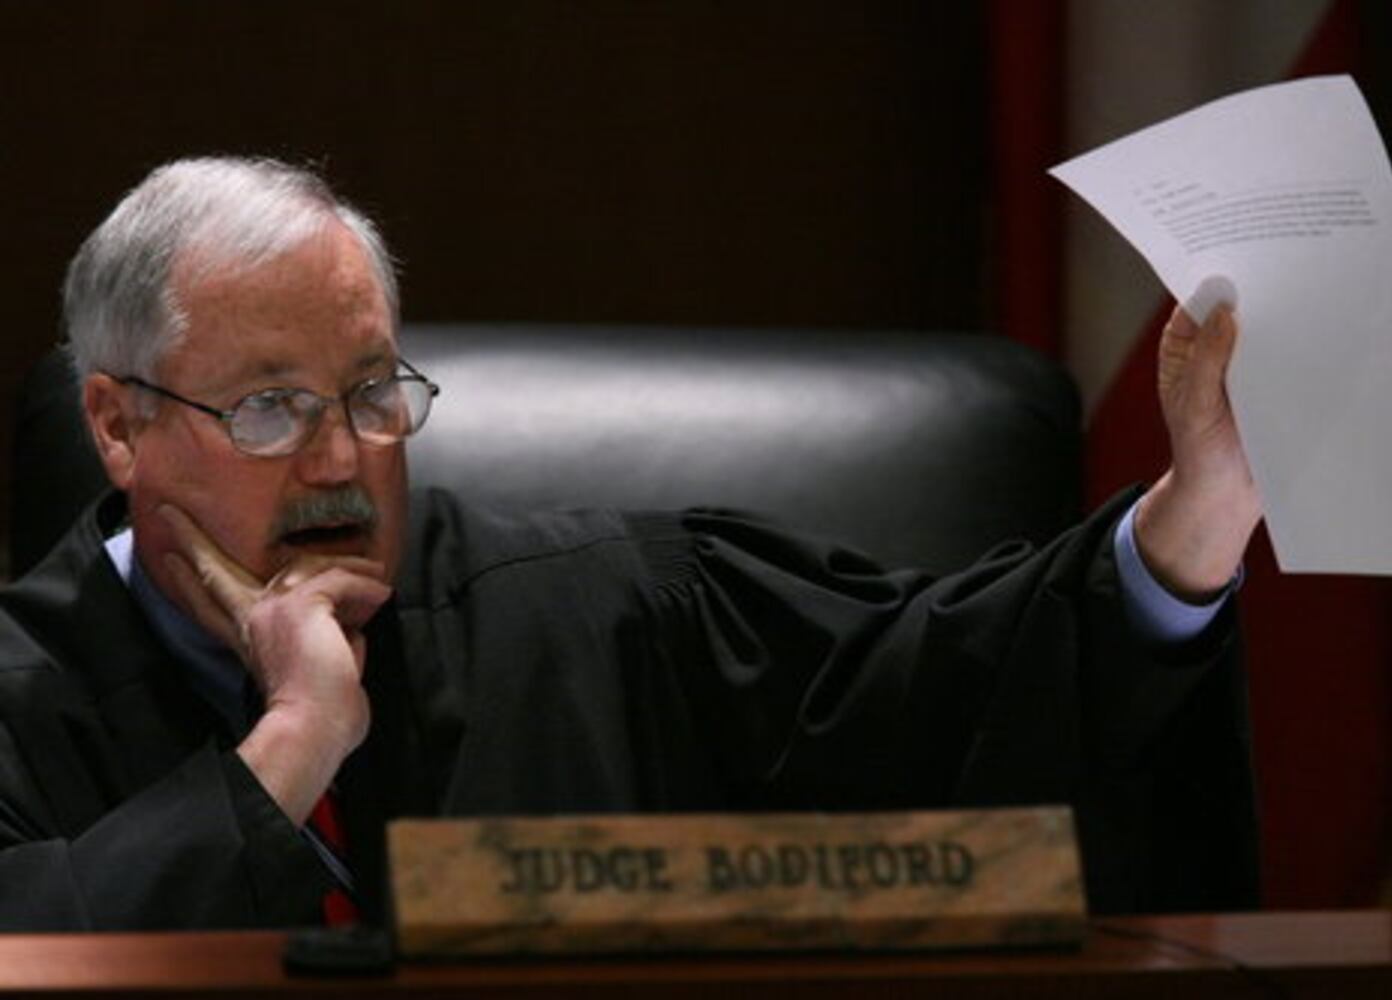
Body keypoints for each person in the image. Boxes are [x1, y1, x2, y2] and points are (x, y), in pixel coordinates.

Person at [0, 157, 1261, 930]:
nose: (340, 460)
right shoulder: (19, 697)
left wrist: (1193, 514)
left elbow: (947, 688)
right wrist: (293, 742)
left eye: (374, 393)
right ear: (118, 425)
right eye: (271, 408)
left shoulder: (602, 612)